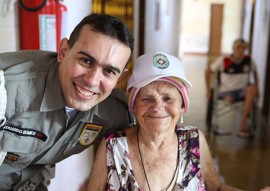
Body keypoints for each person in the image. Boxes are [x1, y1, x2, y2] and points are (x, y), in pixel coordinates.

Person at [0, 13, 134, 190]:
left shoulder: (113, 112)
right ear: (63, 51)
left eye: (109, 71)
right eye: (86, 61)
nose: (92, 81)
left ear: (120, 77)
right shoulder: (8, 88)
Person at [84, 52, 242, 190]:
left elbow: (216, 187)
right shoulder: (113, 146)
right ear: (134, 106)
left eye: (168, 98)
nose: (157, 106)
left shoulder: (194, 140)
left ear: (182, 106)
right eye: (146, 99)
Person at [205, 38, 259, 138]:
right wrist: (208, 91)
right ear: (233, 48)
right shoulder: (224, 60)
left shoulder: (249, 60)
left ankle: (242, 125)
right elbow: (207, 71)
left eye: (243, 48)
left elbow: (255, 72)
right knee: (229, 100)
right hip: (226, 92)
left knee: (252, 88)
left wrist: (258, 90)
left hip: (242, 92)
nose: (241, 50)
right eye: (238, 47)